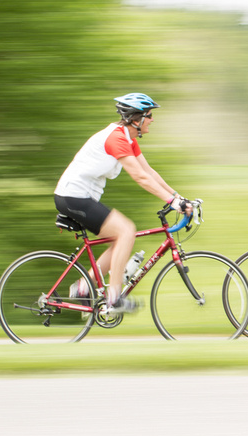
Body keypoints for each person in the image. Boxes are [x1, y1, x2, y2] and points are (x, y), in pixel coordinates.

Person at [54, 93, 192, 314]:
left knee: (120, 239)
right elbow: (139, 177)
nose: (152, 120)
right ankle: (114, 298)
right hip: (73, 196)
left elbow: (149, 172)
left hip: (78, 196)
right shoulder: (116, 138)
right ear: (135, 119)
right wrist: (173, 202)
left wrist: (178, 197)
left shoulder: (127, 139)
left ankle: (83, 288)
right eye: (149, 115)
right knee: (126, 230)